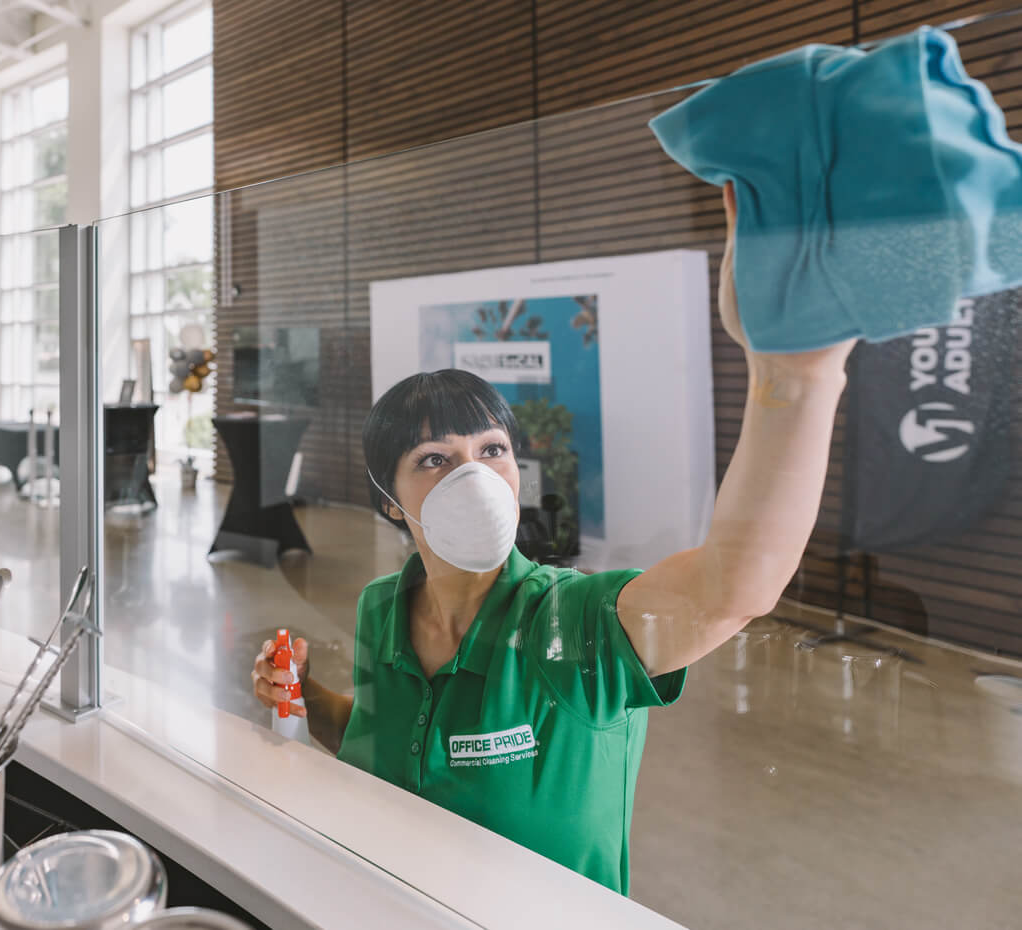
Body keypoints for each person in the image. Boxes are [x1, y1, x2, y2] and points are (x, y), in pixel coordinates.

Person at [251, 183, 854, 893]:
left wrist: (794, 375)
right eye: (435, 460)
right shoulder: (383, 607)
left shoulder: (569, 623)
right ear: (389, 504)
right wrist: (305, 697)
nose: (472, 476)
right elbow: (393, 746)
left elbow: (736, 585)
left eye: (492, 450)